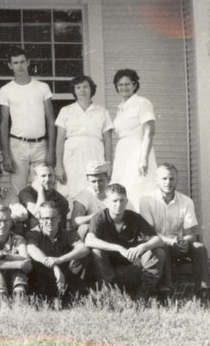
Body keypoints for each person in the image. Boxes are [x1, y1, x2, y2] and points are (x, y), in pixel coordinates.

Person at [83, 184, 167, 299]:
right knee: (97, 251)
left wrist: (142, 247)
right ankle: (112, 295)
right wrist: (119, 248)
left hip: (132, 268)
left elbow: (158, 240)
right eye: (114, 201)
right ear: (106, 202)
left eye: (122, 200)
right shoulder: (100, 217)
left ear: (126, 201)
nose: (118, 204)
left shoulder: (134, 217)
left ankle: (144, 295)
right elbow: (89, 240)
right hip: (109, 271)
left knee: (158, 252)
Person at [139, 164, 209, 299]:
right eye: (164, 179)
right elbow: (149, 234)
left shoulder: (186, 201)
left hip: (177, 245)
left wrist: (184, 241)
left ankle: (203, 291)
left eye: (172, 179)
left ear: (177, 180)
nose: (168, 183)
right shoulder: (146, 200)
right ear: (157, 180)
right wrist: (170, 241)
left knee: (199, 248)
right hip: (156, 245)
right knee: (162, 246)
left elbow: (191, 234)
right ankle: (166, 291)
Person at [0, 47, 56, 195]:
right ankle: (21, 218)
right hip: (17, 145)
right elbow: (4, 123)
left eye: (22, 62)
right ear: (10, 65)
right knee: (19, 190)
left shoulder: (42, 87)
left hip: (40, 145)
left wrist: (51, 150)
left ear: (28, 62)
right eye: (15, 63)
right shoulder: (6, 90)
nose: (20, 66)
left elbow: (50, 120)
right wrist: (6, 155)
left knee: (43, 188)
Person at [54, 75, 113, 199]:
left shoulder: (102, 111)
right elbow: (59, 139)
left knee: (94, 187)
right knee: (71, 189)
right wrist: (59, 165)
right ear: (74, 91)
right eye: (78, 87)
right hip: (72, 155)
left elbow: (108, 139)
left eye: (85, 87)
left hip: (94, 152)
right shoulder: (66, 110)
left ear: (91, 89)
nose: (82, 90)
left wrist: (109, 164)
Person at [25, 202, 92, 301]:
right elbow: (31, 249)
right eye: (46, 218)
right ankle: (42, 298)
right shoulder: (33, 233)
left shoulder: (66, 234)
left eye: (53, 218)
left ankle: (73, 297)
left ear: (59, 218)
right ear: (40, 219)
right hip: (43, 276)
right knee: (33, 261)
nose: (50, 222)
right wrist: (54, 266)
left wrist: (59, 260)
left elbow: (84, 248)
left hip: (64, 276)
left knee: (83, 258)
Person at [111, 69, 158, 209]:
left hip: (138, 150)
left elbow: (149, 131)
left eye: (127, 84)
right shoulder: (121, 107)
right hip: (123, 152)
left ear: (134, 85)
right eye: (120, 85)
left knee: (138, 187)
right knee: (123, 187)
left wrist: (143, 157)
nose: (123, 88)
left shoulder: (142, 103)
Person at [18, 164, 69, 235]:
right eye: (43, 176)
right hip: (30, 234)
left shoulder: (61, 199)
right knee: (34, 221)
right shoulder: (26, 192)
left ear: (54, 177)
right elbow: (38, 215)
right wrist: (40, 190)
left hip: (52, 234)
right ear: (35, 178)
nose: (47, 179)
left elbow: (62, 227)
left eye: (50, 175)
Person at [70, 161, 111, 240]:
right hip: (94, 233)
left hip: (113, 230)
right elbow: (74, 222)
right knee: (83, 228)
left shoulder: (114, 192)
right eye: (93, 181)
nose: (97, 185)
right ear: (87, 180)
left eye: (100, 180)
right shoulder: (85, 194)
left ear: (108, 179)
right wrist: (97, 215)